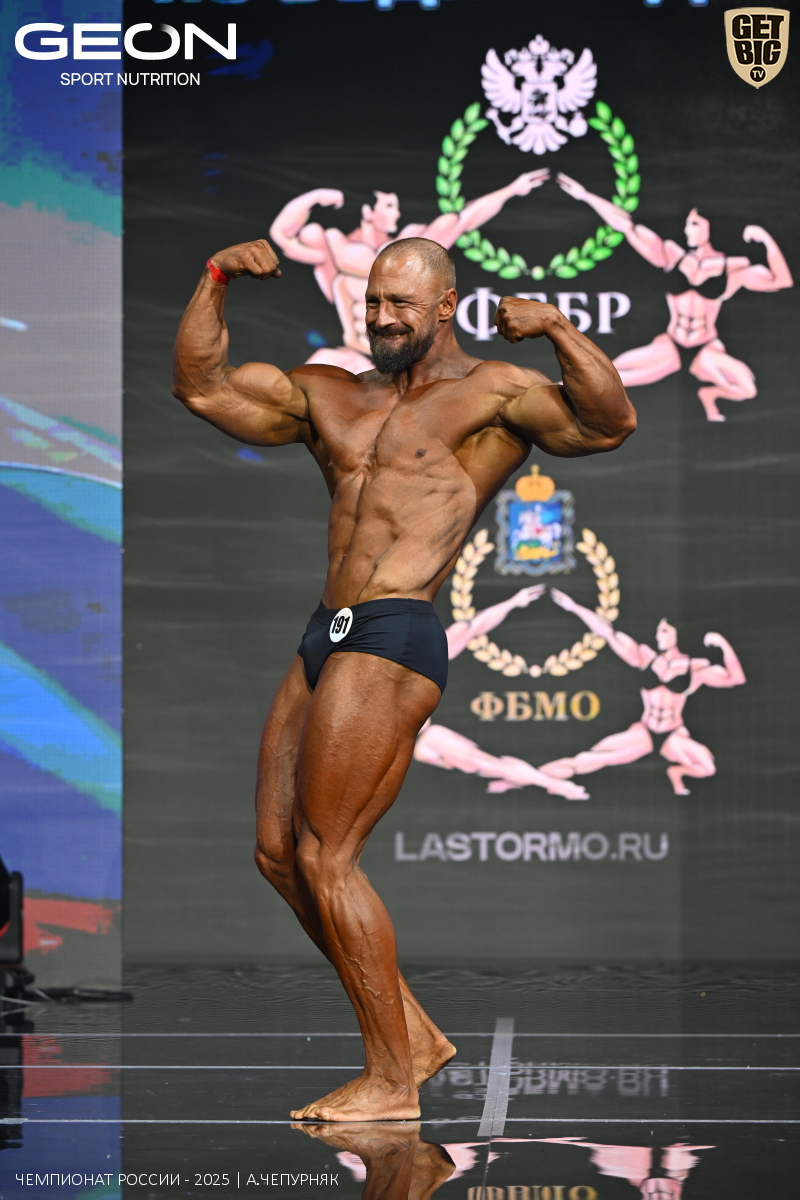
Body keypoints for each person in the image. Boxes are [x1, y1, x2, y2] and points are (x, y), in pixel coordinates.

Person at [172, 234, 635, 1121]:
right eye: (374, 302)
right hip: (327, 630)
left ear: (444, 307)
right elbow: (204, 386)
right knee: (279, 856)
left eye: (402, 305)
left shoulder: (493, 395)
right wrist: (216, 278)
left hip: (392, 631)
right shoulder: (332, 393)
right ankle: (412, 1038)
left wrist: (556, 328)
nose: (383, 318)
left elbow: (609, 422)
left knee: (328, 855)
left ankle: (392, 1083)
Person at [557, 172, 793, 421]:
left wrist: (765, 239)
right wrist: (586, 196)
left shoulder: (731, 267)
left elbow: (781, 281)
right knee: (611, 374)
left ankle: (709, 395)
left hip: (705, 348)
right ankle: (551, 395)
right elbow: (627, 225)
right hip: (672, 344)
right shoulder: (671, 254)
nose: (687, 229)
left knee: (747, 389)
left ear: (710, 226)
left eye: (695, 224)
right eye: (687, 224)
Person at [269, 173, 549, 373]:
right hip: (355, 357)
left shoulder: (413, 244)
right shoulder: (334, 248)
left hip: (409, 361)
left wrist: (511, 190)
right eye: (389, 206)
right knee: (310, 376)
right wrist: (315, 197)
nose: (396, 212)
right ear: (368, 211)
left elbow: (464, 219)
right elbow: (282, 236)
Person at [538, 591, 745, 795]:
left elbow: (736, 679)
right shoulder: (645, 657)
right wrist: (574, 607)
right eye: (658, 631)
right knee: (589, 759)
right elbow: (608, 633)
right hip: (645, 731)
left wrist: (723, 643)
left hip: (673, 734)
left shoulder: (695, 668)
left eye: (664, 631)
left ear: (678, 633)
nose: (658, 635)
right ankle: (528, 779)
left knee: (708, 768)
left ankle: (676, 773)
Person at [414, 584, 590, 799]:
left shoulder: (424, 661)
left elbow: (473, 627)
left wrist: (512, 603)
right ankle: (551, 784)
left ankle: (549, 784)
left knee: (484, 763)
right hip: (416, 754)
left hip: (426, 744)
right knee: (477, 763)